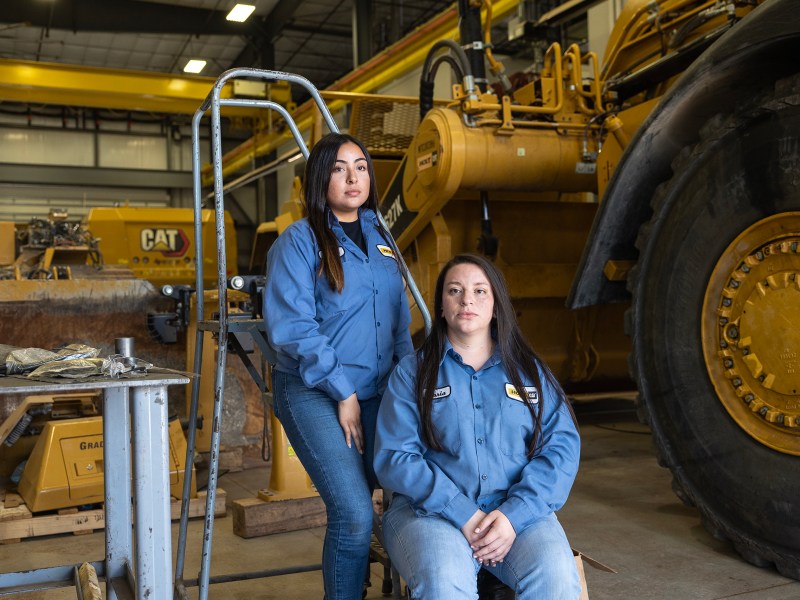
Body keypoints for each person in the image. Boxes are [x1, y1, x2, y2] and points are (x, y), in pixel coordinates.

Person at [374, 253, 582, 599]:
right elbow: (395, 456)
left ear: (497, 306)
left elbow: (560, 447)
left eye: (480, 291)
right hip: (429, 515)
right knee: (444, 583)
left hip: (515, 514)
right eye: (455, 291)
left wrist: (515, 514)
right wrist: (461, 511)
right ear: (441, 307)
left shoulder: (529, 372)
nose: (467, 299)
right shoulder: (413, 373)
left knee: (557, 578)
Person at [264, 132, 414, 599]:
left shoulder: (383, 239)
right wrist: (343, 392)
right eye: (339, 168)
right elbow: (293, 328)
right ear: (319, 178)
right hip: (314, 389)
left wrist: (411, 389)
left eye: (362, 167)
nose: (353, 178)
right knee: (353, 513)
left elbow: (399, 325)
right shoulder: (300, 240)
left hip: (379, 388)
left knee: (409, 496)